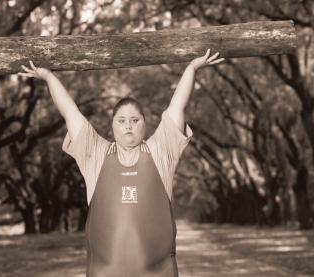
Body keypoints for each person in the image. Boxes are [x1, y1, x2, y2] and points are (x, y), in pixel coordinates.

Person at [19, 49, 224, 277]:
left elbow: (177, 107)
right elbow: (70, 112)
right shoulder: (95, 154)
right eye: (122, 121)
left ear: (145, 125)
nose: (128, 126)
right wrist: (48, 76)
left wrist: (191, 68)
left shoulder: (159, 151)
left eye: (135, 121)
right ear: (112, 126)